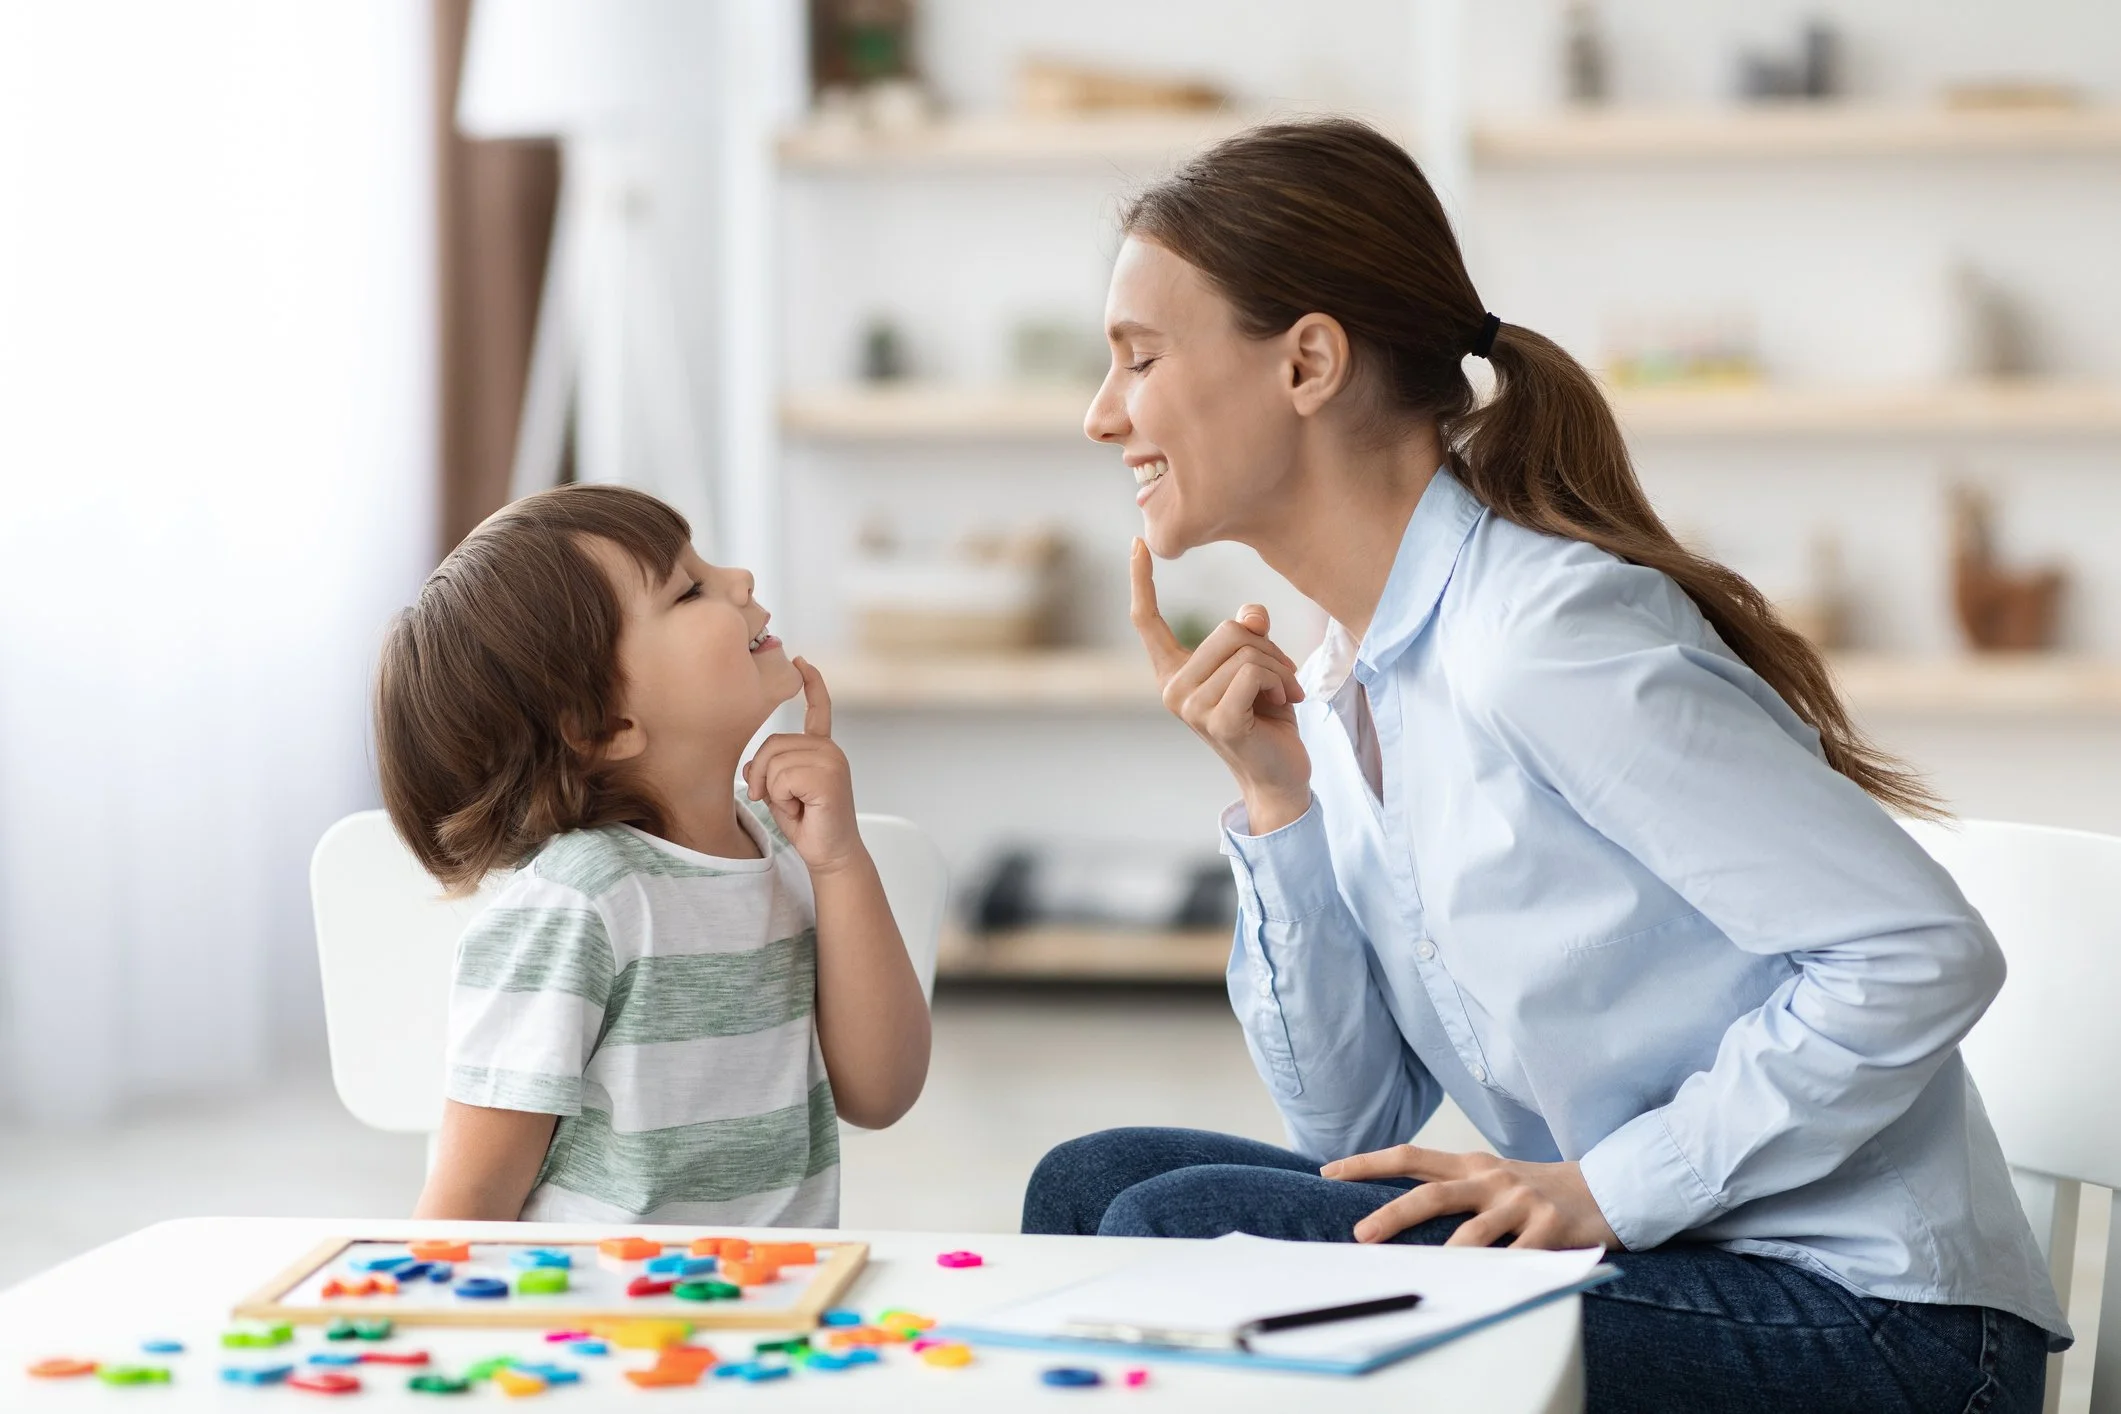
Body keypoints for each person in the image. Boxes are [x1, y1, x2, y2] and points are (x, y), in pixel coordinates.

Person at [1022, 119, 2068, 1413]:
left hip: (1878, 1324)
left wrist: (1601, 1189)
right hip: (1679, 1264)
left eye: (1138, 357)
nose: (1100, 412)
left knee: (1178, 1236)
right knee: (1090, 1186)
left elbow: (1919, 952)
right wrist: (1279, 801)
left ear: (1307, 361)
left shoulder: (1543, 638)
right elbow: (1345, 1132)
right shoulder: (1350, 678)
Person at [375, 484, 929, 1225]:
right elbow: (468, 1201)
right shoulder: (579, 903)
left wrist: (837, 863)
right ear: (605, 725)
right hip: (600, 1327)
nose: (740, 582)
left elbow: (880, 1093)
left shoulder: (784, 851)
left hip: (779, 1314)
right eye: (689, 589)